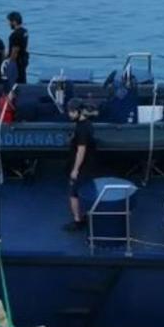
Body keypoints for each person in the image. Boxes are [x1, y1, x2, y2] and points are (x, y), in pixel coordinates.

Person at [66, 98, 96, 231]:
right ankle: (86, 215)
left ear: (78, 111)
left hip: (82, 167)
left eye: (71, 112)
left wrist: (75, 170)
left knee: (73, 193)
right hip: (89, 165)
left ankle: (77, 220)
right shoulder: (87, 124)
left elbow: (81, 150)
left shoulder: (81, 129)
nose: (69, 114)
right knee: (85, 190)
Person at [7, 11, 29, 84]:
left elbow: (15, 51)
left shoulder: (15, 35)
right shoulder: (24, 32)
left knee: (15, 82)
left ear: (14, 22)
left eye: (10, 22)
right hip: (23, 59)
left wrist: (10, 64)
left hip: (17, 62)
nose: (8, 24)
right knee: (23, 79)